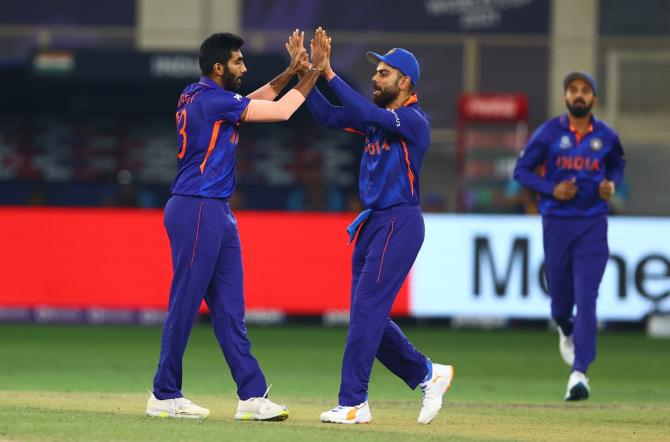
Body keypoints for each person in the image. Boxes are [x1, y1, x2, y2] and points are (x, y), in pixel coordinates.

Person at [146, 30, 327, 420]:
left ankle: (251, 396)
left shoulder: (200, 95)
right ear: (218, 67)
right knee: (186, 302)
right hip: (197, 207)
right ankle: (163, 393)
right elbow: (280, 112)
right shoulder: (211, 100)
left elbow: (247, 102)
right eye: (238, 62)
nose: (244, 67)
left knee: (230, 310)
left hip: (215, 210)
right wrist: (315, 71)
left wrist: (292, 72)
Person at [302, 28, 454, 425]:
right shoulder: (379, 119)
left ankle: (354, 402)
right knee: (366, 317)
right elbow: (328, 116)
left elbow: (368, 113)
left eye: (384, 73)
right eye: (376, 72)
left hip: (399, 221)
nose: (375, 78)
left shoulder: (412, 120)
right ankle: (427, 373)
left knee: (367, 313)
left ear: (405, 82)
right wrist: (307, 75)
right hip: (374, 225)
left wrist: (329, 73)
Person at [513, 72, 625, 401]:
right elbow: (522, 171)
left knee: (587, 297)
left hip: (592, 224)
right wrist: (552, 189)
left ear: (594, 99)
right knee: (561, 304)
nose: (579, 95)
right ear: (565, 98)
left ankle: (580, 374)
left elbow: (618, 164)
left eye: (585, 91)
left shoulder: (606, 136)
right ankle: (564, 325)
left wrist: (611, 185)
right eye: (573, 90)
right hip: (557, 224)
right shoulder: (549, 133)